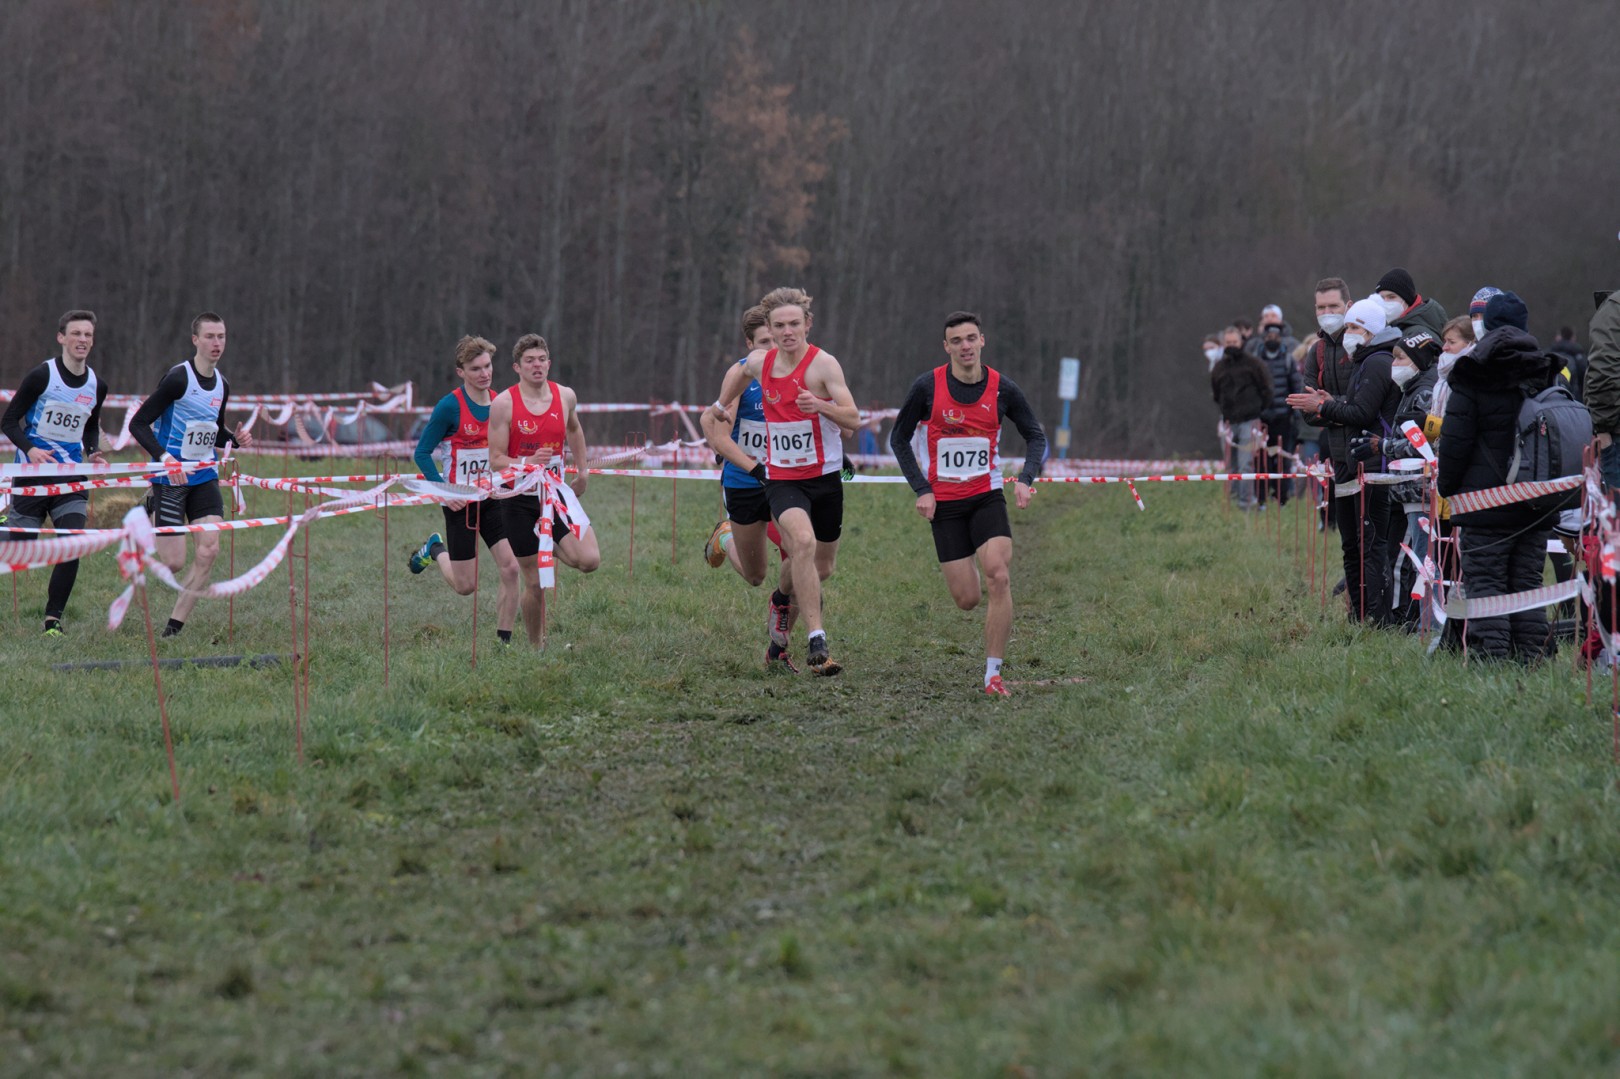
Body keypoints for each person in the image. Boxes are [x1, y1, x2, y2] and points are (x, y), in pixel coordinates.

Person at [889, 311, 1047, 696]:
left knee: (999, 575)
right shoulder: (927, 387)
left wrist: (1025, 479)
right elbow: (898, 438)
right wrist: (921, 488)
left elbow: (1035, 436)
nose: (965, 346)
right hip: (945, 505)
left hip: (986, 496)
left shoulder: (1003, 389)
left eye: (971, 338)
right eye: (957, 340)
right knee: (967, 599)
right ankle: (971, 561)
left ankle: (993, 674)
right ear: (946, 347)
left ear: (982, 341)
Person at [705, 287, 861, 676]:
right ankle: (816, 640)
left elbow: (852, 420)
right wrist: (722, 405)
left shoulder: (823, 365)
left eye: (793, 324)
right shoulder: (758, 366)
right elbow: (734, 387)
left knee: (817, 563)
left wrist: (821, 408)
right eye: (778, 327)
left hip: (817, 479)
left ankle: (781, 609)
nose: (785, 333)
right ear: (766, 333)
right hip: (768, 479)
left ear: (807, 324)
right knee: (789, 552)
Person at [1437, 291, 1560, 662]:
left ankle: (1491, 661)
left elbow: (1455, 441)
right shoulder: (1546, 369)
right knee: (1527, 583)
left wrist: (1447, 488)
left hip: (1484, 502)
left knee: (1486, 581)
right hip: (1536, 499)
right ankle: (1531, 658)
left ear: (1485, 326)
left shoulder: (1471, 372)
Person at [130, 312, 254, 638]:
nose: (217, 343)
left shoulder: (222, 384)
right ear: (195, 340)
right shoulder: (177, 379)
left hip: (204, 476)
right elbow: (138, 424)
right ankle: (149, 507)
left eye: (221, 336)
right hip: (171, 477)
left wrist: (235, 439)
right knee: (173, 562)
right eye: (210, 336)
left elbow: (214, 430)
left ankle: (173, 628)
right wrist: (165, 458)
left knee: (209, 551)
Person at [700, 306, 802, 670]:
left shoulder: (798, 371)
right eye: (763, 342)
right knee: (756, 576)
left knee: (801, 557)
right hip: (746, 482)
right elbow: (718, 436)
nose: (772, 349)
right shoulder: (742, 377)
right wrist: (756, 469)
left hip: (786, 482)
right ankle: (726, 536)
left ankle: (779, 649)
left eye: (776, 340)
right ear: (749, 344)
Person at [1289, 296, 1402, 622]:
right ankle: (1360, 613)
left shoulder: (1377, 363)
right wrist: (1330, 404)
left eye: (1354, 326)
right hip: (1352, 462)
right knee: (1353, 544)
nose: (1347, 332)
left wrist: (1325, 407)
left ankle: (1378, 617)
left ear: (1369, 330)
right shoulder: (1361, 360)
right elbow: (1352, 408)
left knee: (1372, 545)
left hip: (1374, 466)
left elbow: (1362, 412)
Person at [406, 335, 523, 645]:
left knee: (511, 568)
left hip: (492, 498)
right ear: (461, 372)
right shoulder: (449, 407)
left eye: (487, 366)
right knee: (465, 586)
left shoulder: (501, 403)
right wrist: (445, 492)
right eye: (475, 369)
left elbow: (505, 452)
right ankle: (435, 549)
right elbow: (422, 453)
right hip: (459, 501)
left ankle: (504, 643)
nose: (484, 373)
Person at [487, 333, 601, 646]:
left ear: (549, 363)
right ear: (517, 367)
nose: (536, 365)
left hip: (554, 495)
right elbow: (495, 459)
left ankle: (546, 542)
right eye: (529, 361)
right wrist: (527, 462)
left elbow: (574, 429)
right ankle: (537, 648)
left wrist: (583, 471)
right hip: (517, 500)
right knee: (535, 583)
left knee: (589, 560)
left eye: (541, 360)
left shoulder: (565, 396)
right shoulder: (503, 404)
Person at [0, 310, 110, 635]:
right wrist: (31, 449)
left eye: (87, 335)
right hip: (33, 475)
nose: (82, 340)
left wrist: (94, 452)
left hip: (70, 478)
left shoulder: (97, 385)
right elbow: (9, 421)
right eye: (76, 333)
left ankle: (53, 620)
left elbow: (90, 426)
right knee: (20, 550)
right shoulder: (41, 376)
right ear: (61, 338)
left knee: (71, 544)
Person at [1355, 330, 1441, 624]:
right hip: (1410, 488)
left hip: (1421, 488)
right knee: (1415, 557)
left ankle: (1425, 621)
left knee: (1422, 558)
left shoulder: (1424, 392)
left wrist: (1383, 446)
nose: (1394, 364)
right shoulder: (1410, 389)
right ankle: (1417, 618)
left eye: (1400, 358)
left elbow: (1422, 445)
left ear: (1417, 361)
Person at [1301, 277, 1354, 533]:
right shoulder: (1317, 351)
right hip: (1337, 453)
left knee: (1371, 537)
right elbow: (1308, 410)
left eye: (1333, 306)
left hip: (1369, 455)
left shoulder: (1364, 344)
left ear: (1348, 306)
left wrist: (1328, 406)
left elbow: (1368, 406)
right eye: (1321, 307)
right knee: (1347, 537)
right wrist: (1342, 410)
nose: (1327, 313)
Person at [1209, 326, 1270, 508]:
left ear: (1241, 342)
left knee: (1245, 464)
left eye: (1234, 342)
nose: (1232, 345)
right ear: (1223, 343)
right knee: (1230, 465)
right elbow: (1215, 393)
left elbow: (1266, 389)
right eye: (1228, 342)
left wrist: (1257, 409)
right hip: (1228, 421)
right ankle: (1232, 499)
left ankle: (1246, 502)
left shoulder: (1254, 364)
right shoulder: (1219, 368)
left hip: (1249, 420)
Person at [1254, 320, 1303, 506]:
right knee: (1261, 460)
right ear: (1264, 338)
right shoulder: (1256, 360)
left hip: (1283, 418)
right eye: (1269, 336)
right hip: (1262, 419)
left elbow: (1296, 387)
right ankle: (1261, 498)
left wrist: (1296, 415)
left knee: (1282, 459)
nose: (1272, 339)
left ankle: (1281, 498)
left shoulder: (1288, 360)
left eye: (1275, 336)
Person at [1373, 268, 1448, 338]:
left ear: (1406, 299)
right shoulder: (1394, 329)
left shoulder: (1419, 335)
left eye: (1391, 297)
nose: (1385, 302)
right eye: (1381, 298)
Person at [1549, 325, 1587, 401]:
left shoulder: (1548, 355)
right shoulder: (1580, 358)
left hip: (1551, 399)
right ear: (1573, 338)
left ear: (1558, 337)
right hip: (1575, 401)